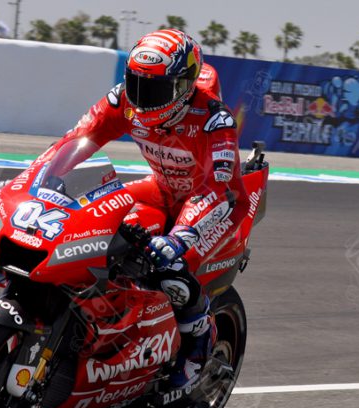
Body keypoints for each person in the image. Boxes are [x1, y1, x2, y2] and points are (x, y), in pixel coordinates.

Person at [35, 29, 248, 388]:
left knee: (169, 266)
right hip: (163, 192)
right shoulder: (125, 102)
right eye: (136, 83)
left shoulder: (215, 120)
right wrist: (36, 180)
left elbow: (219, 186)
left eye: (156, 89)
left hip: (215, 207)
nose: (143, 98)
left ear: (183, 86)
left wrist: (181, 237)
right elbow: (78, 139)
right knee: (95, 230)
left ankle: (198, 347)